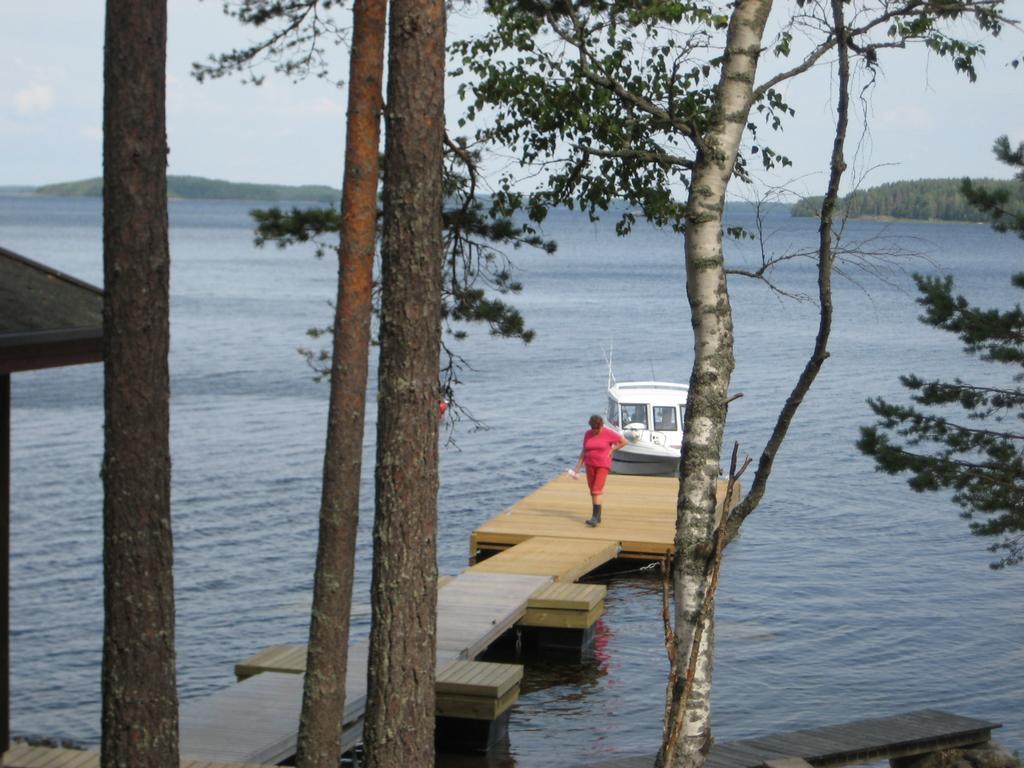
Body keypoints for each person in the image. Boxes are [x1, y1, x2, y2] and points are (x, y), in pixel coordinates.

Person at [571, 415, 628, 527]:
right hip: (589, 464)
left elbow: (624, 441)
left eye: (597, 429)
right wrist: (577, 468)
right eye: (593, 429)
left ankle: (594, 518)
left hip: (603, 465)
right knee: (592, 490)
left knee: (597, 489)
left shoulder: (609, 433)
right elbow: (584, 450)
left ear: (601, 426)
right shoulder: (588, 434)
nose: (595, 431)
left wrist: (613, 449)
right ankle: (598, 517)